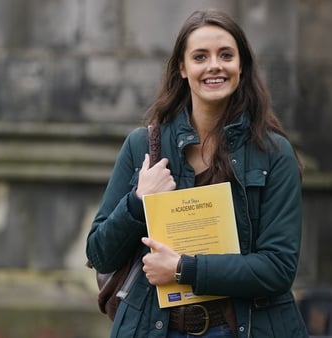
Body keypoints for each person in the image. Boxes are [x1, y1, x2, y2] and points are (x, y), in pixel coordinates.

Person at [86, 9, 308, 338]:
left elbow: (278, 268)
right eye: (200, 56)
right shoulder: (142, 147)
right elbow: (99, 253)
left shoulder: (274, 154)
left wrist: (182, 268)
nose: (214, 65)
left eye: (226, 55)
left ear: (241, 65)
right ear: (182, 67)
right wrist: (137, 202)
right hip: (156, 329)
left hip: (240, 329)